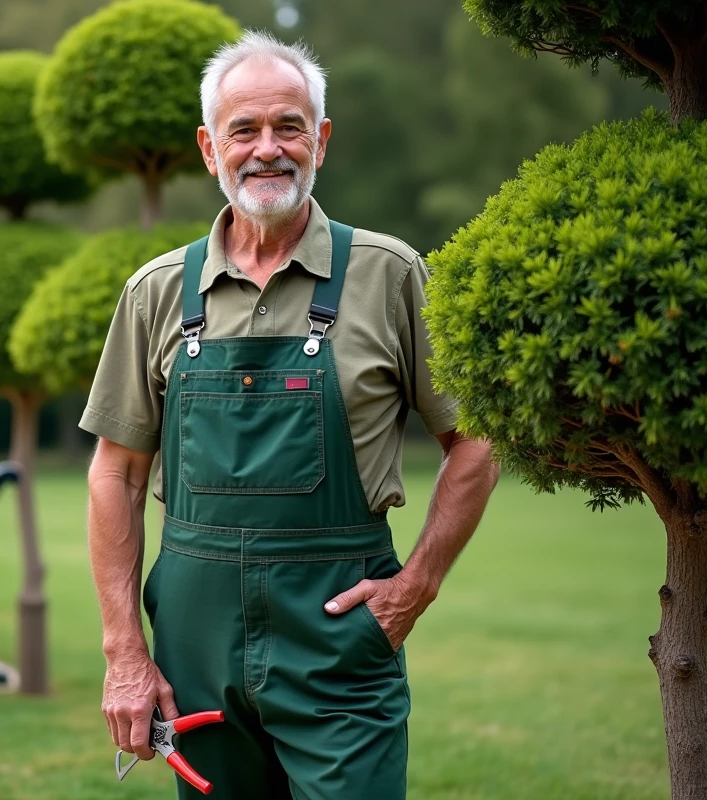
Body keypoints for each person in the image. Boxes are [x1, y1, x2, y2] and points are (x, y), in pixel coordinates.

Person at [82, 30, 499, 799]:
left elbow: (476, 440)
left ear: (322, 141)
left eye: (289, 127)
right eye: (244, 129)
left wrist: (417, 586)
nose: (267, 149)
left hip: (340, 639)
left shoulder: (389, 274)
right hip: (194, 644)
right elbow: (116, 474)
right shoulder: (156, 292)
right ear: (209, 148)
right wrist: (124, 653)